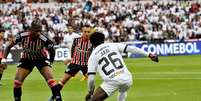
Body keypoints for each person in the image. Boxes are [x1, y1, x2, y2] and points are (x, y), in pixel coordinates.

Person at [85, 32, 159, 101]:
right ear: (103, 39)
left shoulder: (92, 56)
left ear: (91, 43)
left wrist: (90, 93)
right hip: (127, 78)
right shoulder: (113, 45)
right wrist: (149, 54)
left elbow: (91, 79)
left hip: (112, 81)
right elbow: (132, 49)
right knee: (123, 89)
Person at [1, 18, 62, 101]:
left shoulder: (44, 39)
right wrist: (4, 59)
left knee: (51, 81)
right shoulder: (22, 36)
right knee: (17, 83)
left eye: (40, 31)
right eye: (36, 31)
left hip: (40, 59)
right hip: (27, 59)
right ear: (31, 30)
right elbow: (8, 46)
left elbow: (52, 51)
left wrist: (50, 62)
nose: (39, 33)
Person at [49, 25, 93, 101]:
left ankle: (91, 96)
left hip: (85, 65)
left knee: (91, 81)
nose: (86, 33)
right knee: (63, 81)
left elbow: (92, 54)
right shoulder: (76, 40)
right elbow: (73, 50)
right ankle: (53, 97)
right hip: (74, 63)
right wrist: (70, 59)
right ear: (82, 32)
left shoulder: (92, 42)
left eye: (88, 32)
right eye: (85, 32)